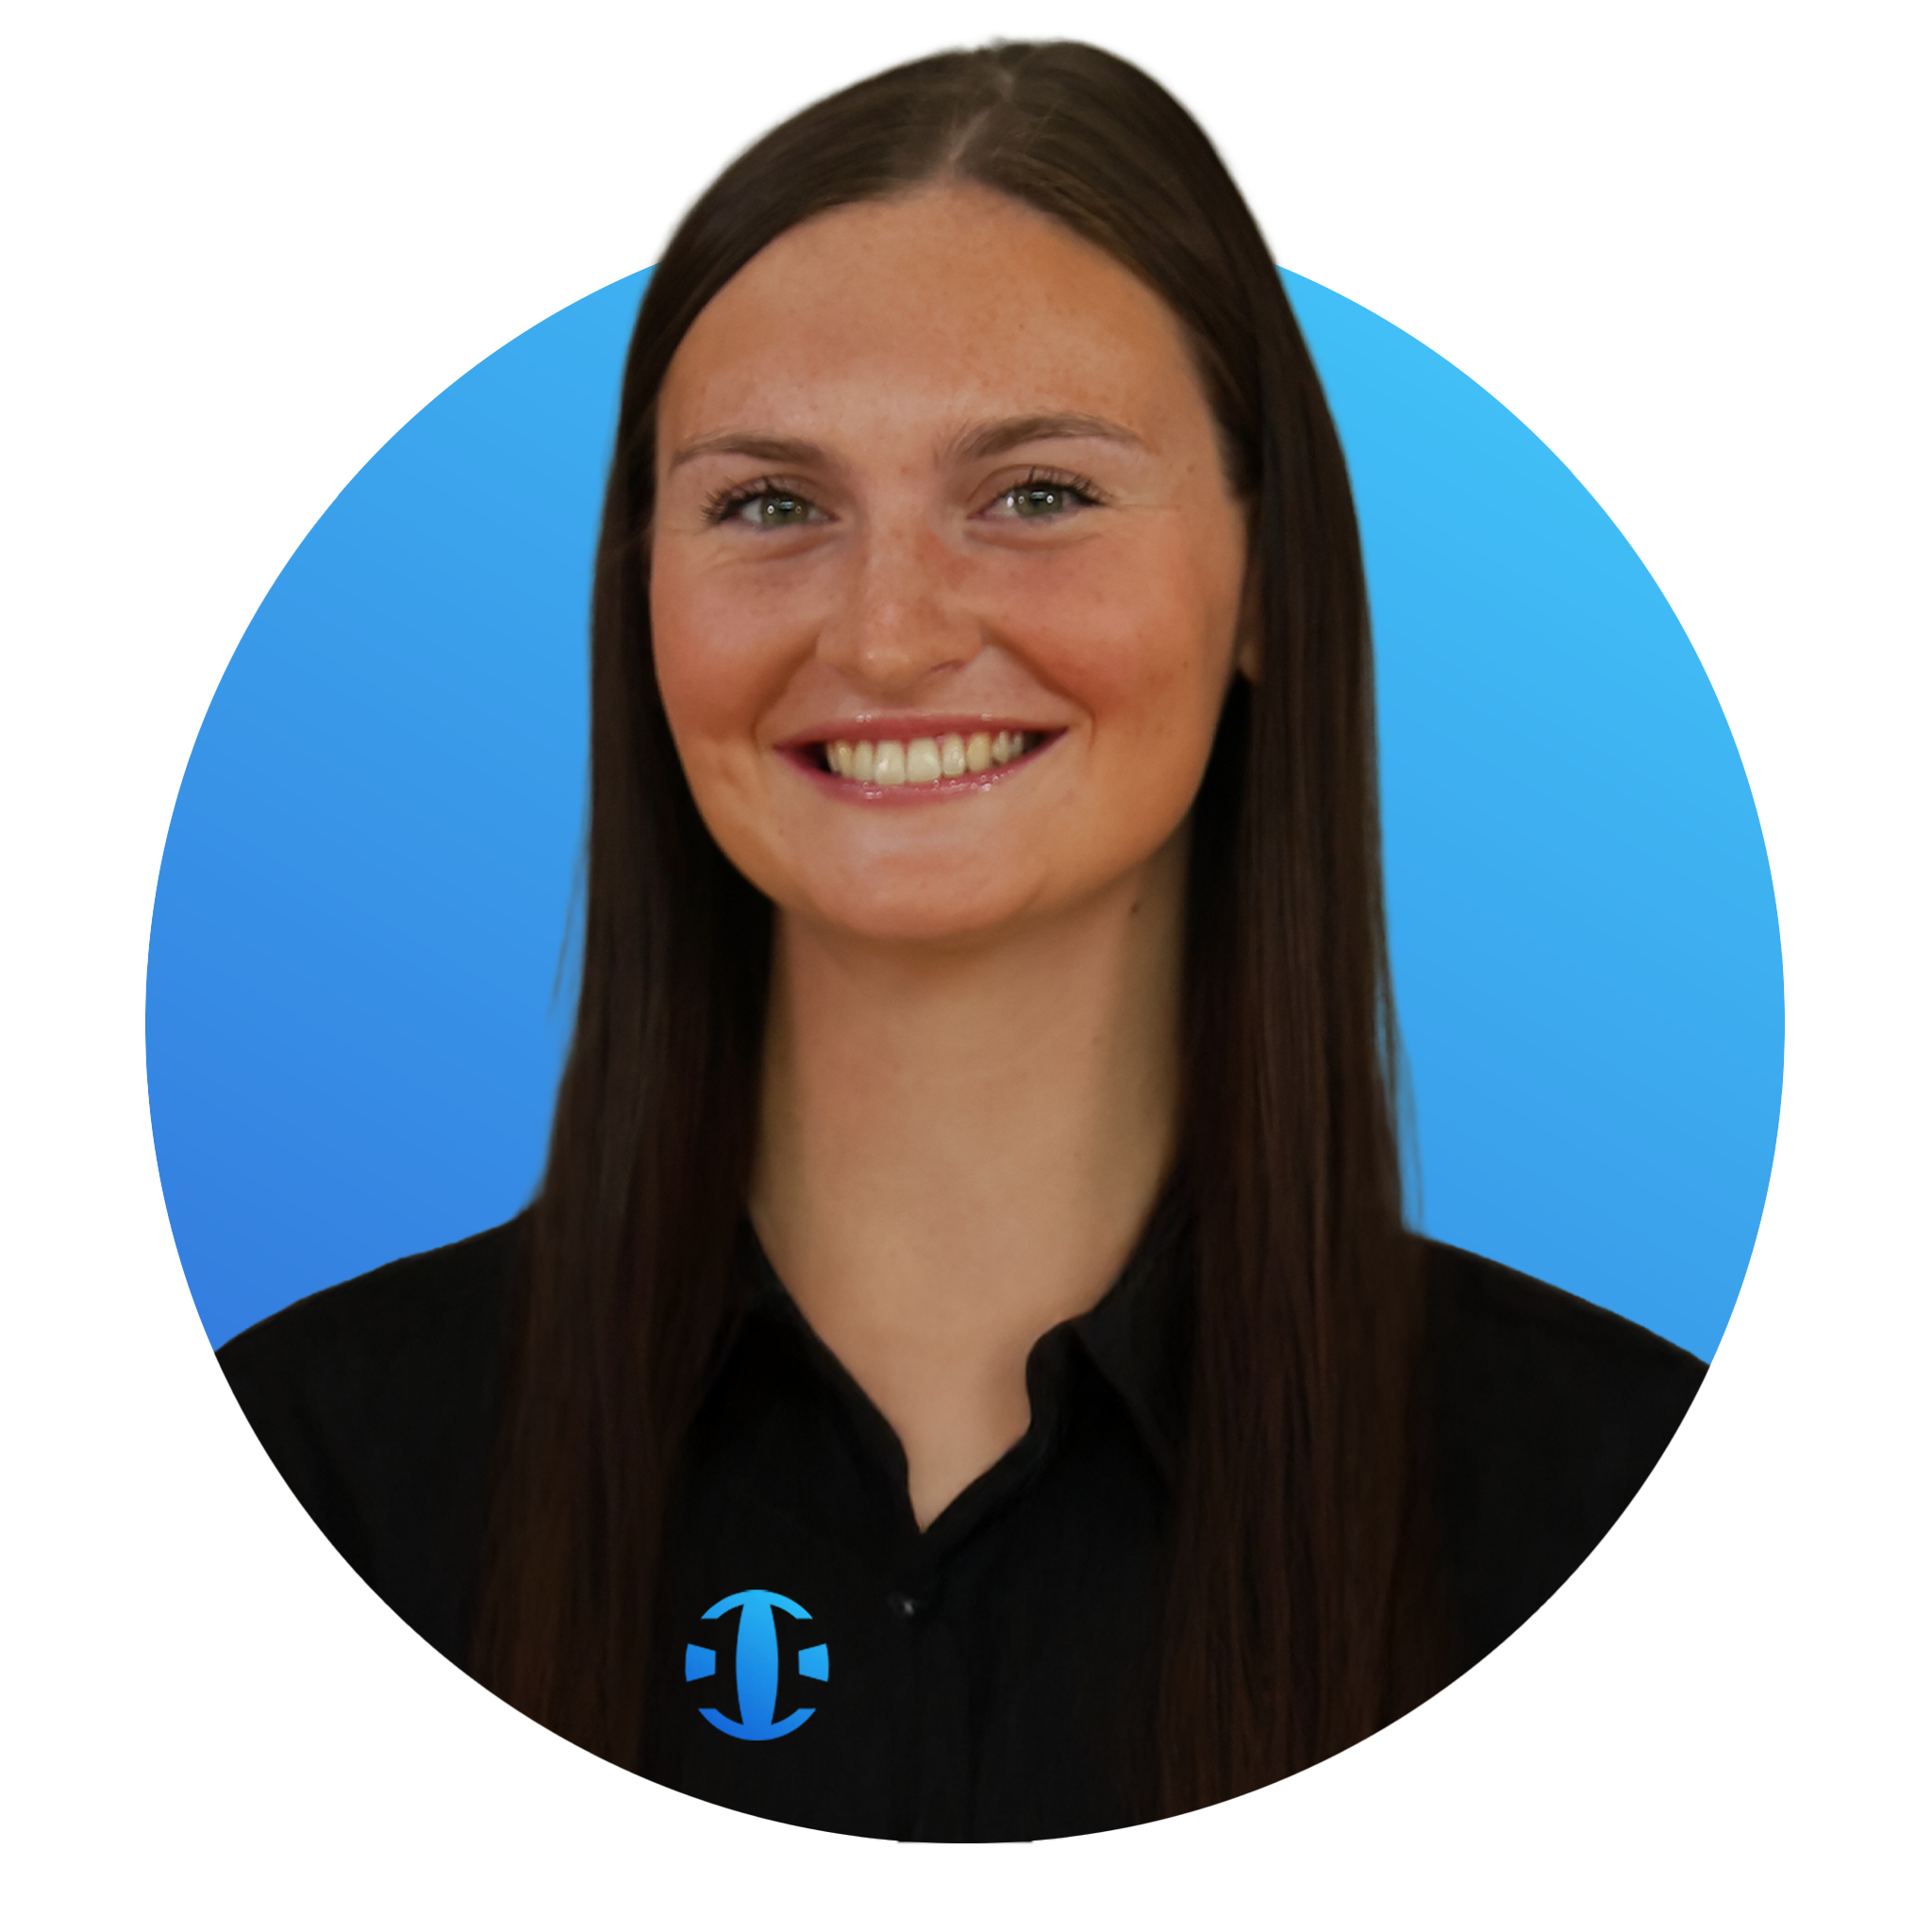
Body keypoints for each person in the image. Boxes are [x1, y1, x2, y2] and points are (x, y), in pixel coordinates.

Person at [209, 35, 1710, 1865]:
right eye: (771, 504)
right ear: (641, 590)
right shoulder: (312, 1467)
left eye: (1037, 494)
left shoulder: (1655, 1536)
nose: (890, 634)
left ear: (1267, 582)